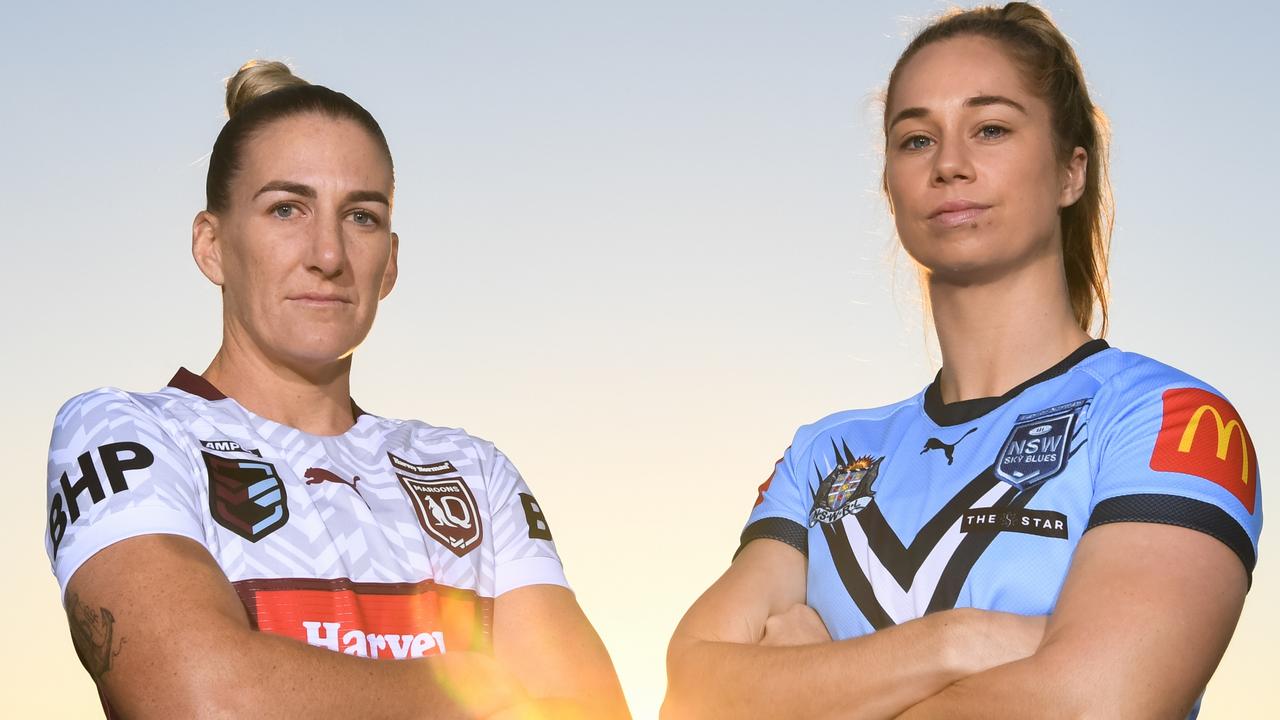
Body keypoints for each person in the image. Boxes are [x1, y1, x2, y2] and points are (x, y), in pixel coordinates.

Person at [663, 3, 1261, 718]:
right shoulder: (824, 455)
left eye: (992, 129)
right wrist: (961, 641)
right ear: (889, 184)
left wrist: (808, 686)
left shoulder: (1169, 420)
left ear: (1072, 172)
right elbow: (694, 688)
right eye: (916, 139)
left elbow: (1097, 704)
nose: (950, 164)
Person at [45, 60, 630, 720]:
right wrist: (474, 685)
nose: (327, 254)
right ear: (211, 245)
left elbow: (592, 709)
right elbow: (204, 699)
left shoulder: (473, 470)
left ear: (392, 263)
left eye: (361, 216)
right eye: (286, 209)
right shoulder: (128, 433)